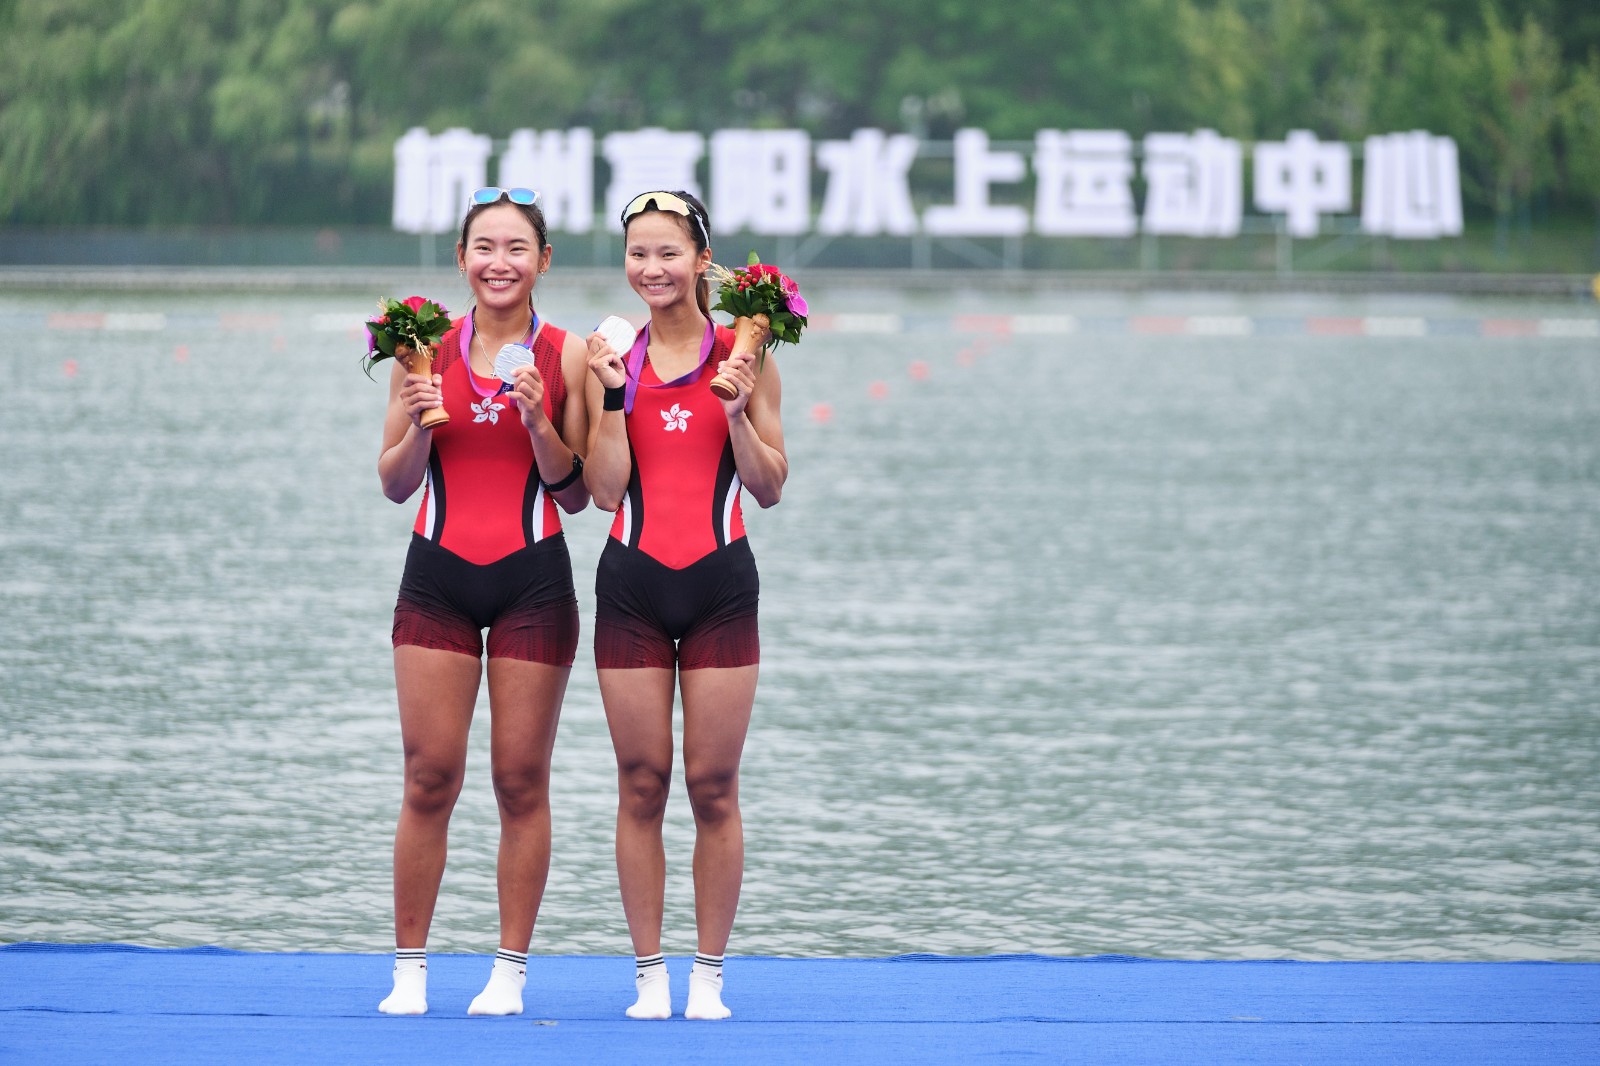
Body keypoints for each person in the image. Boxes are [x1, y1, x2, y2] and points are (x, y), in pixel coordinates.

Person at [375, 188, 591, 1017]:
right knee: (429, 775)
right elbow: (394, 483)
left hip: (533, 579)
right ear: (462, 259)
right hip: (438, 577)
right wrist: (421, 424)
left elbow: (575, 495)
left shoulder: (568, 354)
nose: (499, 263)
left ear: (543, 261)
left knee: (519, 779)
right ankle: (409, 971)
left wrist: (539, 422)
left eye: (517, 248)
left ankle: (508, 972)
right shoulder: (421, 346)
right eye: (484, 248)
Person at [582, 190, 788, 1020]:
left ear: (703, 260)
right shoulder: (611, 355)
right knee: (641, 783)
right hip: (631, 588)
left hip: (721, 588)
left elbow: (770, 487)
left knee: (713, 786)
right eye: (638, 253)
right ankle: (650, 977)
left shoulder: (746, 352)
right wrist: (609, 396)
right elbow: (603, 492)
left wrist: (736, 414)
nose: (652, 268)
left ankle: (708, 977)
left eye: (668, 253)